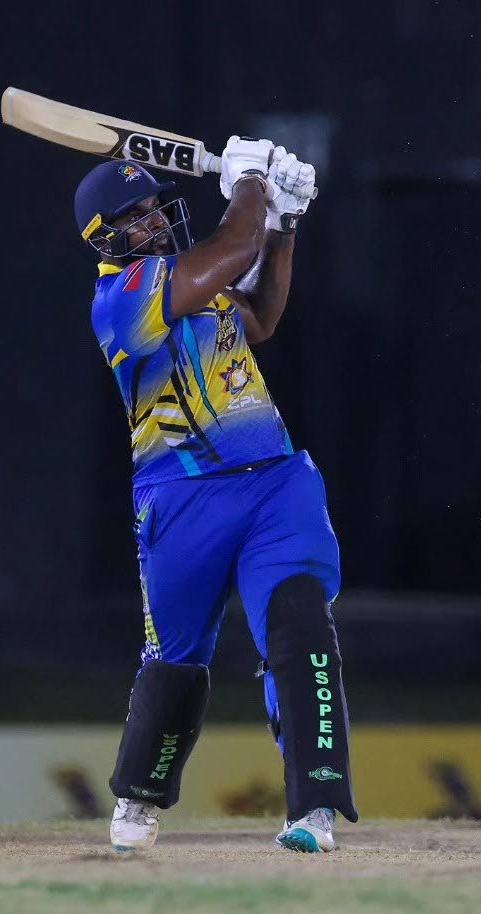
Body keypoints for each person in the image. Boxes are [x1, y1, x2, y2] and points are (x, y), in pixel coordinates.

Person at [75, 140, 357, 853]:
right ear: (105, 239)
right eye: (132, 219)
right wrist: (254, 187)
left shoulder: (194, 277)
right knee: (174, 658)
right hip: (181, 499)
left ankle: (313, 808)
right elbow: (231, 250)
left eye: (153, 210)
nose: (152, 224)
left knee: (299, 622)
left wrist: (283, 225)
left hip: (274, 485)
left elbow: (256, 317)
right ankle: (138, 796)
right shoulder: (124, 297)